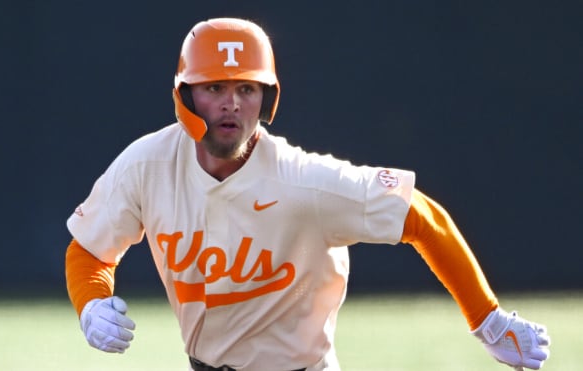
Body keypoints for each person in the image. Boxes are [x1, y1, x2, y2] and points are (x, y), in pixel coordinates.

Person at [64, 17, 550, 371]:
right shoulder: (148, 164)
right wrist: (91, 302)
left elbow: (423, 216)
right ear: (185, 95)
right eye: (214, 86)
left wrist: (486, 318)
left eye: (247, 89)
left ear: (267, 98)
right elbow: (89, 250)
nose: (232, 103)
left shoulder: (304, 181)